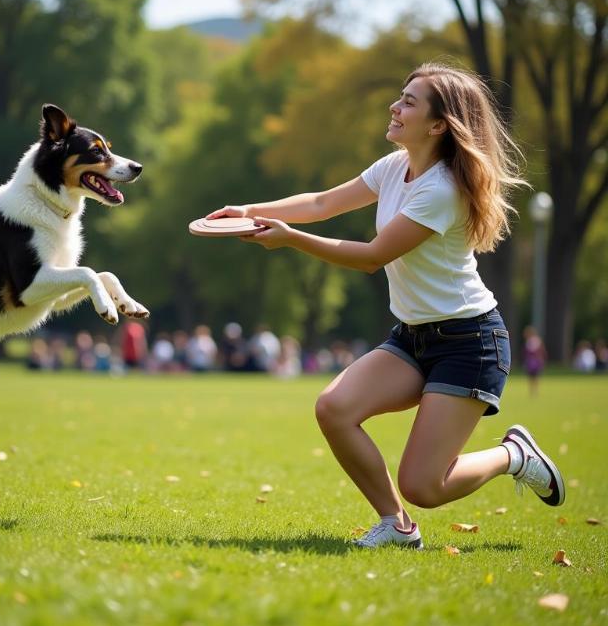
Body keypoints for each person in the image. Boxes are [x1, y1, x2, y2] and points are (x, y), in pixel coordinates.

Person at [208, 62, 565, 550]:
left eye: (409, 102)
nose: (395, 108)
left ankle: (513, 456)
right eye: (400, 97)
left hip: (469, 342)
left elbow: (374, 257)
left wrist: (291, 240)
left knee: (425, 485)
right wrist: (250, 211)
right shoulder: (394, 166)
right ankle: (397, 527)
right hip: (414, 336)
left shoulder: (441, 190)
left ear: (438, 124)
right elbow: (319, 203)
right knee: (334, 408)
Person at [521, 326, 546, 396]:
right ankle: (532, 391)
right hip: (530, 361)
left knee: (535, 377)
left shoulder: (536, 340)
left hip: (535, 361)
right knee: (531, 377)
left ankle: (535, 391)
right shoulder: (528, 341)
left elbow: (540, 351)